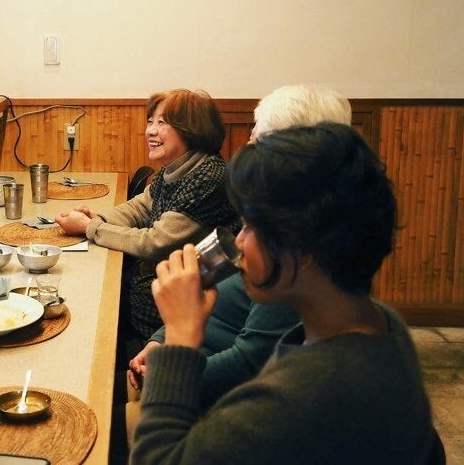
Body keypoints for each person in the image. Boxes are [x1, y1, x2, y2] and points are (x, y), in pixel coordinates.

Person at [130, 122, 443, 464]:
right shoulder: (378, 320)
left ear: (304, 247)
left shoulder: (312, 392)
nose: (239, 242)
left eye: (251, 226)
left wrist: (179, 339)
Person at [117, 84, 352, 452]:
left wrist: (172, 364)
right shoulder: (277, 221)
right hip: (192, 357)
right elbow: (216, 287)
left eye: (259, 135)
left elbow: (251, 361)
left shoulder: (297, 254)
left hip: (213, 397)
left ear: (298, 154)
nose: (249, 143)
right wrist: (162, 340)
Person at [56, 88, 240, 344]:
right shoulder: (176, 167)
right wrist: (98, 219)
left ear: (191, 130)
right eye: (150, 121)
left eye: (162, 123)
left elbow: (156, 242)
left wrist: (90, 228)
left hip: (177, 309)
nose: (150, 131)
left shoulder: (208, 177)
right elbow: (141, 207)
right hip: (156, 291)